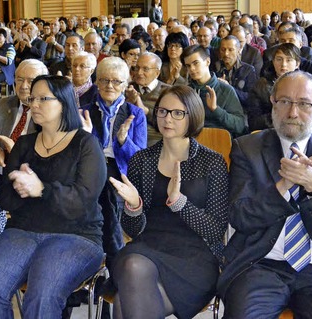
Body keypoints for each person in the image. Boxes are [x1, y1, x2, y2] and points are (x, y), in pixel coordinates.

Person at [217, 70, 312, 318]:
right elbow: (239, 217)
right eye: (284, 101)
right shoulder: (247, 148)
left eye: (303, 104)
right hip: (261, 264)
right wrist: (282, 187)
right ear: (273, 103)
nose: (292, 113)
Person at [0, 75, 107, 318]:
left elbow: (83, 201)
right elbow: (4, 199)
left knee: (42, 294)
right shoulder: (23, 144)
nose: (33, 104)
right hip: (23, 230)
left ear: (64, 103)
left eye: (43, 99)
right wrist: (19, 188)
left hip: (76, 236)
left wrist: (42, 189)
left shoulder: (85, 144)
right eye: (32, 99)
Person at [109, 85, 228, 319]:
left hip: (195, 255)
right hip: (148, 247)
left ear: (192, 115)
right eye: (162, 111)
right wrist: (134, 207)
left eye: (177, 113)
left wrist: (179, 202)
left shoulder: (212, 162)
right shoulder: (142, 160)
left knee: (125, 300)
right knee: (133, 266)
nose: (167, 119)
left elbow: (216, 230)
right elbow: (133, 230)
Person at [81, 57, 147, 281]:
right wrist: (87, 136)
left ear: (125, 85)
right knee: (105, 187)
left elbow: (139, 158)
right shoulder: (84, 112)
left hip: (121, 173)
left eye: (116, 81)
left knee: (108, 189)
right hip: (92, 168)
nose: (110, 86)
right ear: (96, 82)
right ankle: (115, 256)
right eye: (104, 80)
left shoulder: (135, 114)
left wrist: (123, 141)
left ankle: (108, 254)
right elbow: (77, 153)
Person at [0, 59, 49, 169]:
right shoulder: (2, 105)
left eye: (30, 81)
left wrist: (15, 152)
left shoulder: (48, 112)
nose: (23, 86)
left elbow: (47, 157)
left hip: (29, 176)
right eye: (20, 80)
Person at [183, 44, 247, 137]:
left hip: (219, 140)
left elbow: (240, 125)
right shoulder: (188, 91)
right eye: (188, 66)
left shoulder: (225, 90)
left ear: (207, 62)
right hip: (193, 140)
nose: (192, 69)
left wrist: (216, 110)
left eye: (196, 63)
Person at [248, 44, 302, 131]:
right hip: (269, 133)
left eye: (289, 60)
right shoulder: (261, 86)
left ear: (297, 64)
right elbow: (253, 122)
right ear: (273, 61)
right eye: (279, 59)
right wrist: (280, 114)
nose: (283, 64)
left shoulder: (306, 86)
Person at [127, 52, 170, 146]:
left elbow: (170, 122)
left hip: (155, 141)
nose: (139, 73)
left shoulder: (168, 92)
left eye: (145, 69)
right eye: (137, 68)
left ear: (157, 73)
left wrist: (146, 111)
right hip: (129, 139)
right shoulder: (127, 88)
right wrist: (129, 103)